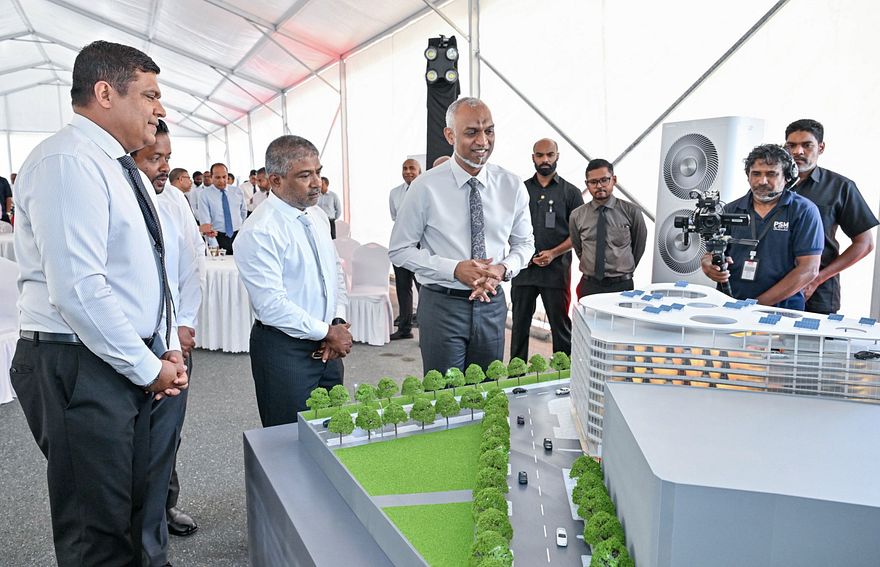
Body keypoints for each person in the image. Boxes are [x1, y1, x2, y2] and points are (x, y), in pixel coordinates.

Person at [10, 40, 187, 567]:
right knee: (98, 532)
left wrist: (164, 345)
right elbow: (79, 290)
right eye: (150, 94)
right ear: (105, 93)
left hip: (120, 356)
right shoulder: (68, 161)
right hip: (80, 362)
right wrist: (148, 367)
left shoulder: (116, 165)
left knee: (135, 510)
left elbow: (147, 270)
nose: (160, 108)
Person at [389, 97, 534, 374]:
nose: (483, 141)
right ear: (450, 135)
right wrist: (453, 269)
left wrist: (503, 268)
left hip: (492, 304)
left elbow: (525, 243)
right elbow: (399, 249)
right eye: (471, 132)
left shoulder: (511, 185)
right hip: (442, 305)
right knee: (444, 392)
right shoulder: (425, 187)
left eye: (489, 131)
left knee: (488, 389)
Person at [235, 135, 352, 427]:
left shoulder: (318, 216)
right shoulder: (259, 230)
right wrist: (327, 331)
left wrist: (337, 321)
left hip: (328, 345)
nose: (317, 183)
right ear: (275, 180)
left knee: (334, 431)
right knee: (289, 438)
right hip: (285, 351)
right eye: (304, 175)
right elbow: (272, 305)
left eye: (318, 172)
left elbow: (333, 273)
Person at [132, 119, 203, 564]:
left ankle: (164, 507)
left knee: (167, 438)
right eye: (154, 158)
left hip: (173, 341)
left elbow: (190, 265)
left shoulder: (175, 199)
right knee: (140, 445)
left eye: (168, 158)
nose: (164, 168)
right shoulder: (121, 196)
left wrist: (184, 325)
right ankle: (144, 535)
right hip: (135, 344)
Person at [701, 144, 823, 310]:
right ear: (748, 176)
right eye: (756, 174)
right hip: (731, 306)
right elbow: (711, 253)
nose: (762, 181)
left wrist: (756, 305)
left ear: (787, 177)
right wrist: (708, 265)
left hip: (781, 310)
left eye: (771, 174)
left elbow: (809, 269)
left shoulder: (804, 211)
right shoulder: (730, 209)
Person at [783, 119, 878, 314]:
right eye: (791, 145)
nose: (798, 151)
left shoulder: (840, 187)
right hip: (773, 285)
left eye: (807, 145)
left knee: (810, 335)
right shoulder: (770, 184)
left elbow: (865, 243)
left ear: (821, 147)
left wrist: (817, 279)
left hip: (815, 292)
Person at [510, 138, 584, 360]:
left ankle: (562, 374)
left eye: (550, 155)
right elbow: (506, 225)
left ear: (557, 156)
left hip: (556, 272)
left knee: (560, 327)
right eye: (540, 155)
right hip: (523, 271)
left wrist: (553, 253)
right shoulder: (520, 190)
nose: (545, 159)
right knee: (519, 326)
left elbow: (579, 233)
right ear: (533, 157)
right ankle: (516, 375)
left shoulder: (571, 193)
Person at [570, 158, 647, 298]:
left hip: (622, 285)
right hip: (589, 285)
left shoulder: (632, 211)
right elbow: (578, 248)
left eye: (604, 180)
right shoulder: (577, 215)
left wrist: (623, 268)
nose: (599, 186)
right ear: (587, 184)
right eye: (593, 182)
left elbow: (638, 246)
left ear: (614, 180)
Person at [388, 158, 422, 340]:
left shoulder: (426, 190)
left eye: (412, 168)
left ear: (419, 171)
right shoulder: (394, 193)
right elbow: (395, 217)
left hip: (421, 247)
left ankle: (426, 331)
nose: (408, 171)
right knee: (403, 287)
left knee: (423, 288)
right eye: (405, 168)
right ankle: (404, 328)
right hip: (400, 244)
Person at [197, 162, 247, 254]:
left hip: (238, 235)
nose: (222, 180)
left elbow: (243, 213)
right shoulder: (205, 195)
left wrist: (241, 230)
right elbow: (205, 221)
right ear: (211, 177)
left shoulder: (237, 191)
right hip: (218, 237)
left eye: (224, 177)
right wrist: (214, 244)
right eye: (217, 177)